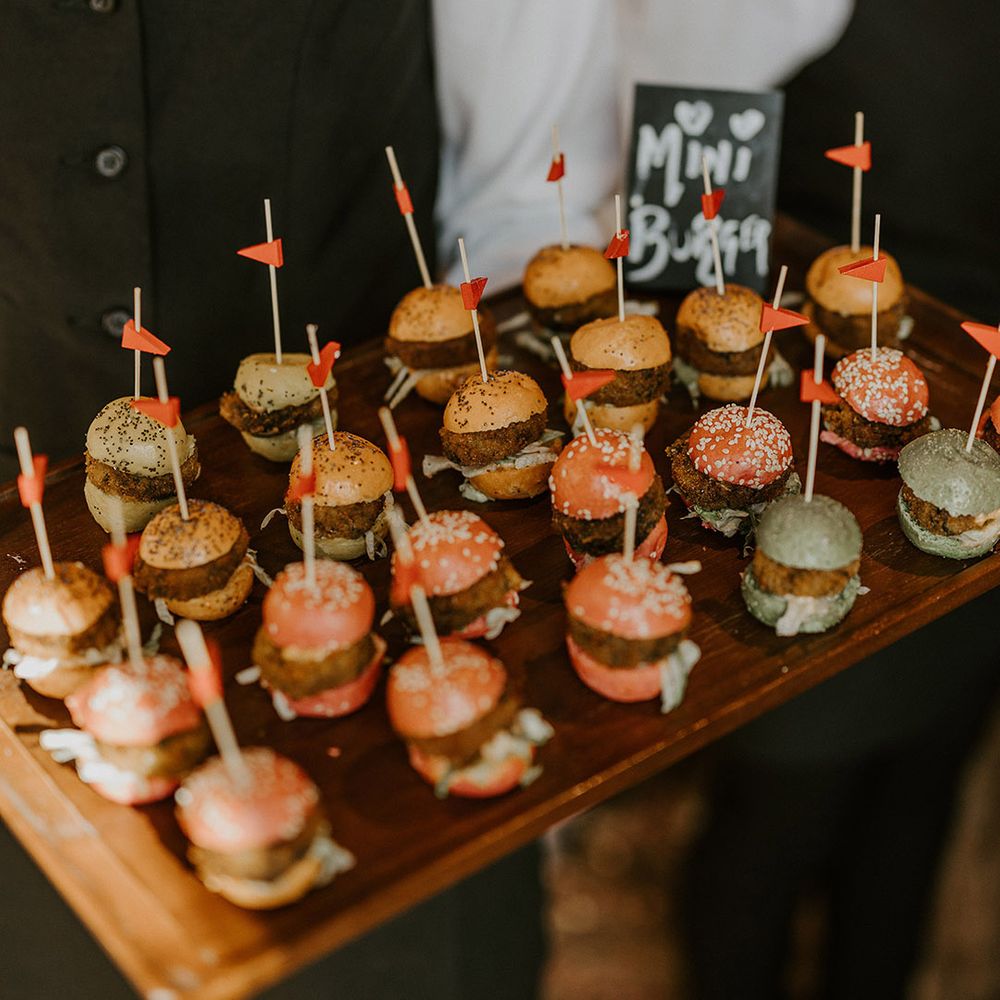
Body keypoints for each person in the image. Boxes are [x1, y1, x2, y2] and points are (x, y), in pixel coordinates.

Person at [682, 3, 1000, 997]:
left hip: (980, 446)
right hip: (820, 431)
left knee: (918, 790)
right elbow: (698, 148)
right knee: (782, 806)